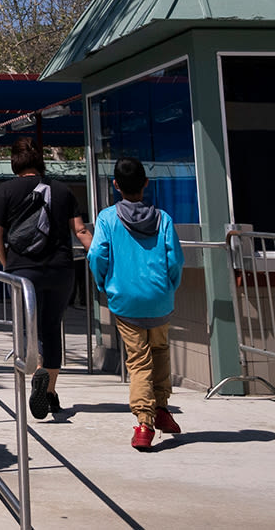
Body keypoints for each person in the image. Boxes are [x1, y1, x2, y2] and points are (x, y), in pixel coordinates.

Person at [0, 139, 91, 421]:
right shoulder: (63, 190)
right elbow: (80, 231)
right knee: (52, 327)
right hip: (60, 269)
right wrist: (103, 258)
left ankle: (38, 368)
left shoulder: (5, 191)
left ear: (14, 163)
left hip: (22, 271)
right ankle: (50, 391)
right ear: (39, 161)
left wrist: (6, 262)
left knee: (28, 329)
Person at [88, 156, 185, 451]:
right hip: (159, 298)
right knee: (160, 350)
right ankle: (163, 408)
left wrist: (104, 284)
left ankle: (145, 423)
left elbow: (96, 256)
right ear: (145, 182)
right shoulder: (164, 219)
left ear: (116, 185)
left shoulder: (107, 218)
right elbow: (175, 259)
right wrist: (170, 286)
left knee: (139, 360)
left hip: (126, 299)